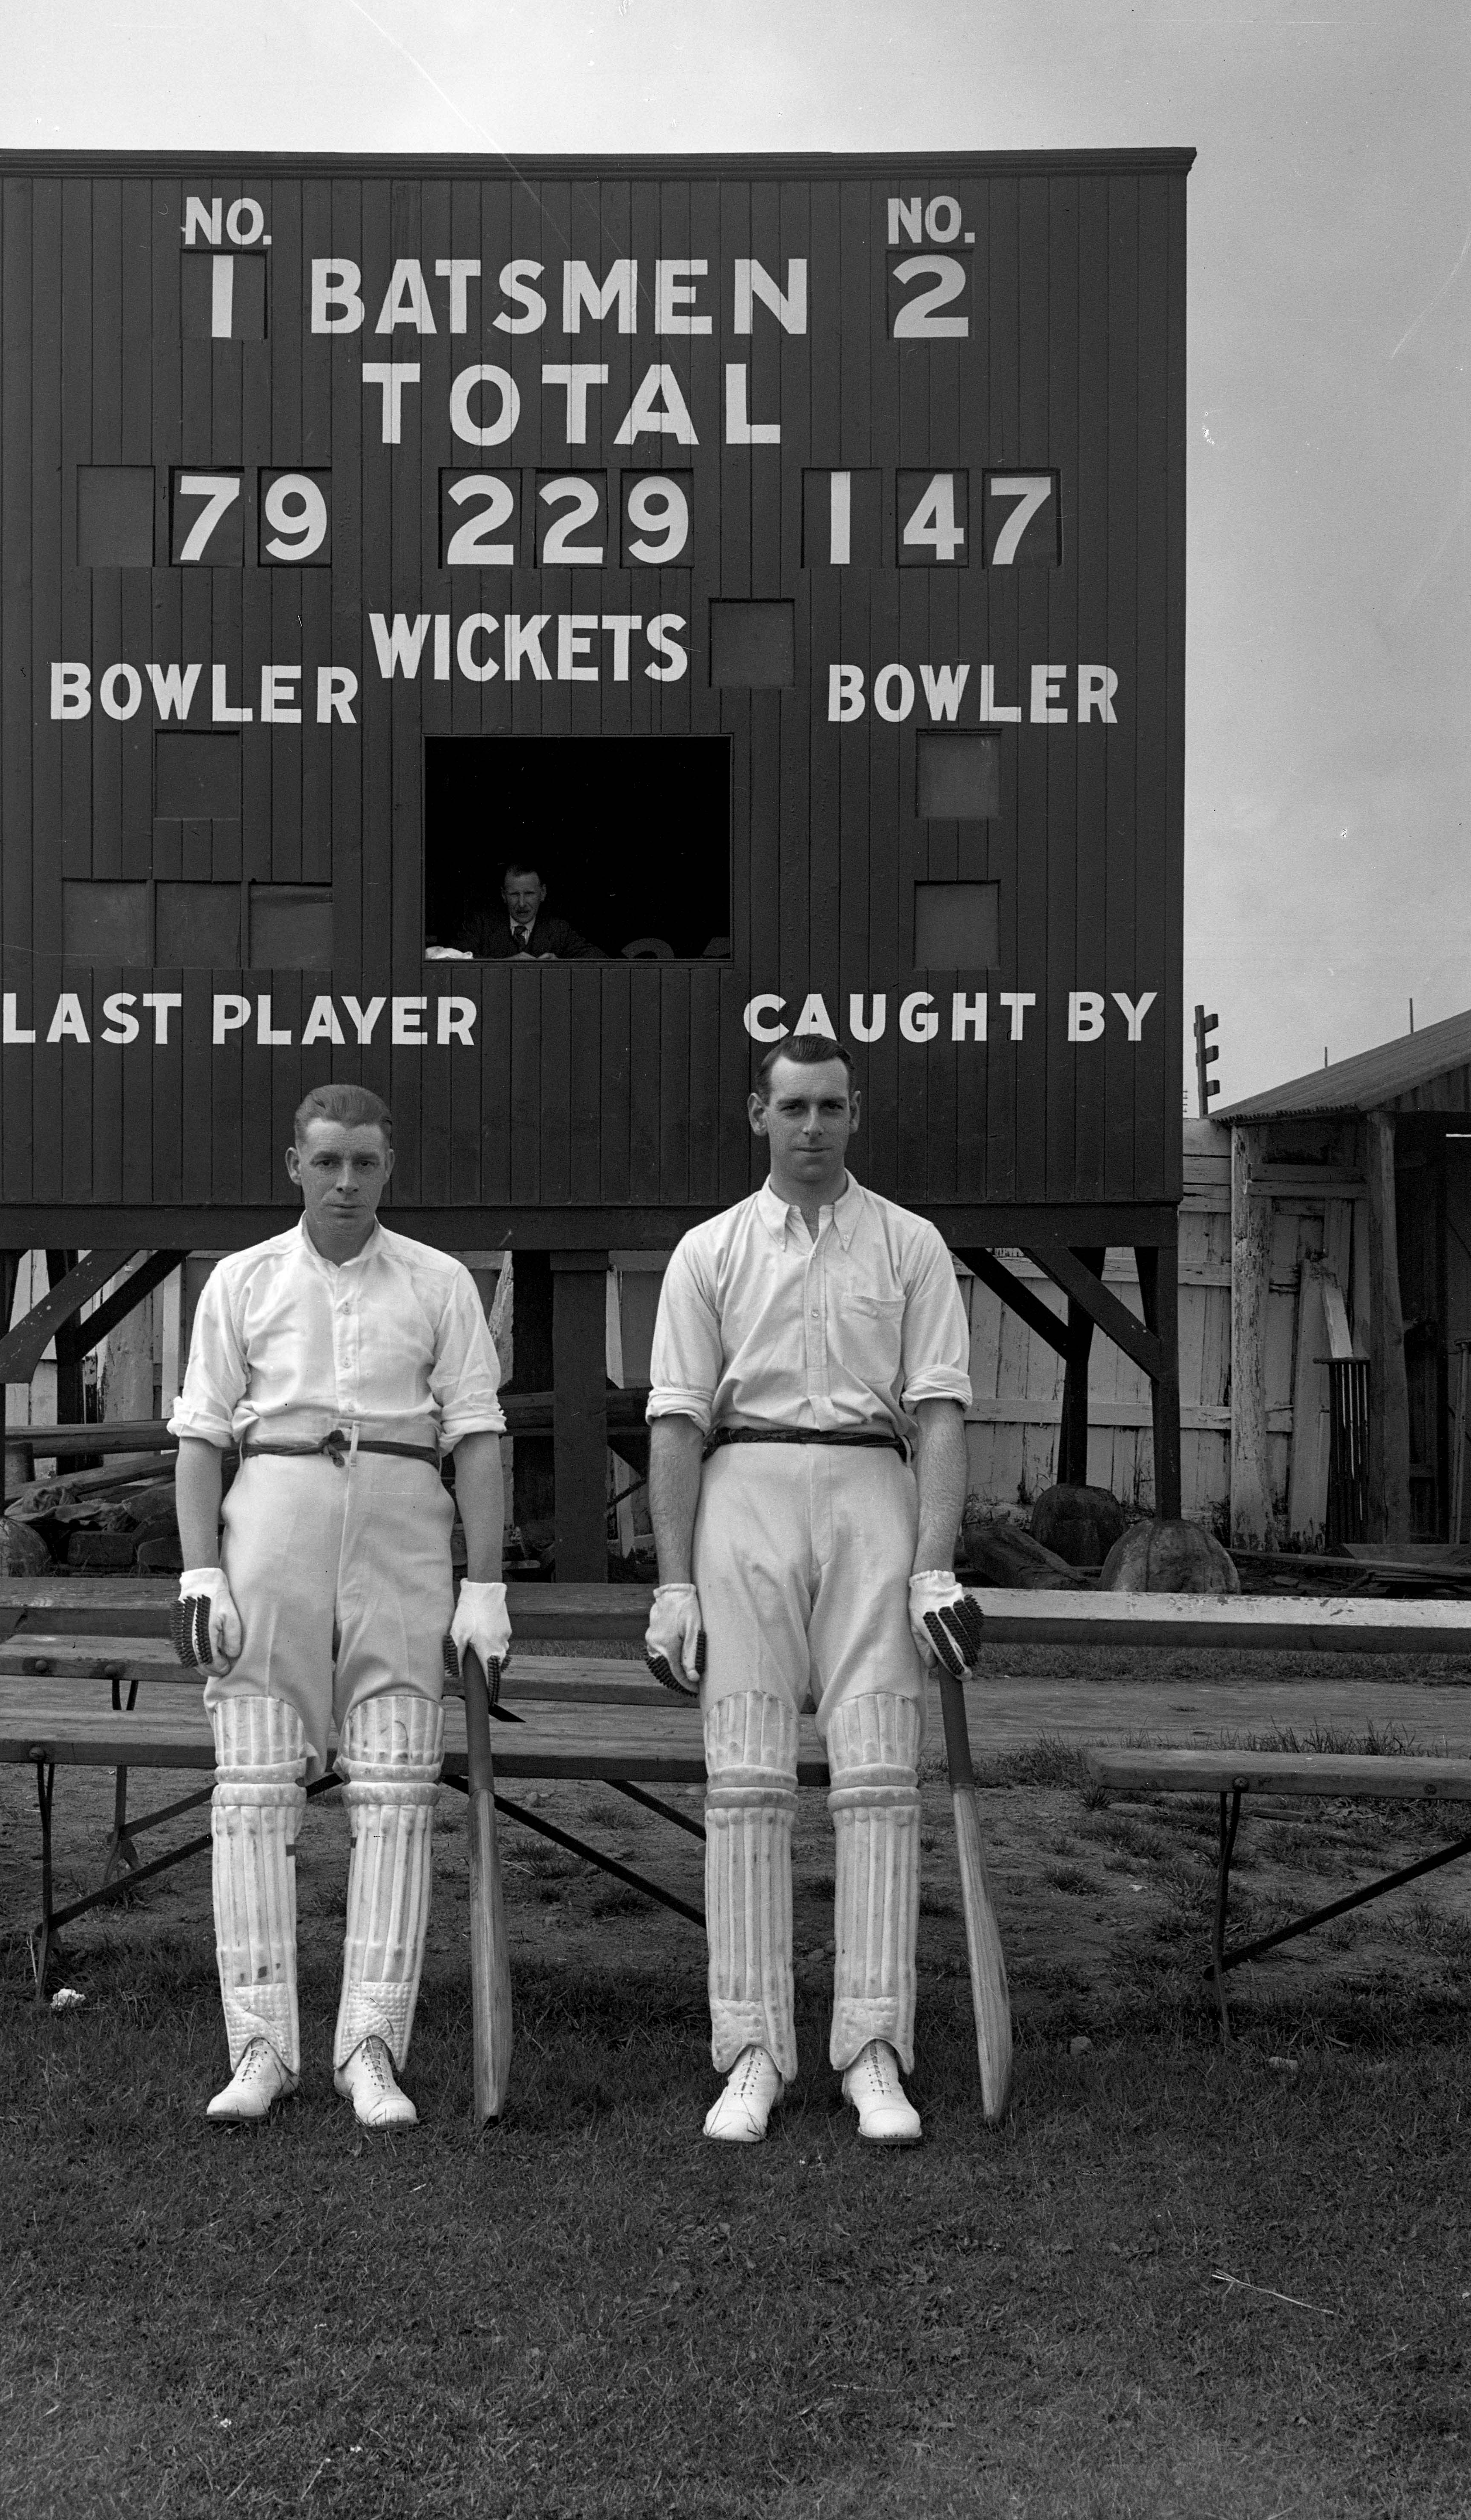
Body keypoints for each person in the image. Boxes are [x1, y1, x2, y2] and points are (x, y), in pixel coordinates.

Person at [644, 1035, 976, 2147]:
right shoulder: (709, 1251)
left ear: (854, 1112)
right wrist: (673, 1580)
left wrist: (932, 1563)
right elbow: (677, 1422)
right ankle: (749, 2053)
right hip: (743, 1492)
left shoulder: (909, 1244)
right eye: (792, 1106)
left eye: (831, 1106)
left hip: (868, 1497)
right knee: (743, 1782)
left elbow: (935, 1412)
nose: (812, 1126)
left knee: (879, 1775)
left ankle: (872, 2052)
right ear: (757, 1113)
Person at [168, 1082, 511, 2131]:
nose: (346, 1182)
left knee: (398, 1797)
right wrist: (199, 1572)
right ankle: (259, 2047)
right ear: (294, 1165)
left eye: (364, 1162)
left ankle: (370, 2048)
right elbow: (198, 1437)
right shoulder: (242, 1280)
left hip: (403, 1547)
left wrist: (486, 1583)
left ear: (388, 1165)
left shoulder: (438, 1282)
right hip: (270, 1542)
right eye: (327, 1162)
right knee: (254, 1797)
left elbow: (479, 1436)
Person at [463, 860, 600, 961]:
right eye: (514, 895)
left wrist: (561, 964)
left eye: (529, 894)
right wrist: (503, 964)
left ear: (543, 893)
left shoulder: (559, 930)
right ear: (504, 896)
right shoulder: (481, 925)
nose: (522, 904)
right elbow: (450, 957)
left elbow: (599, 959)